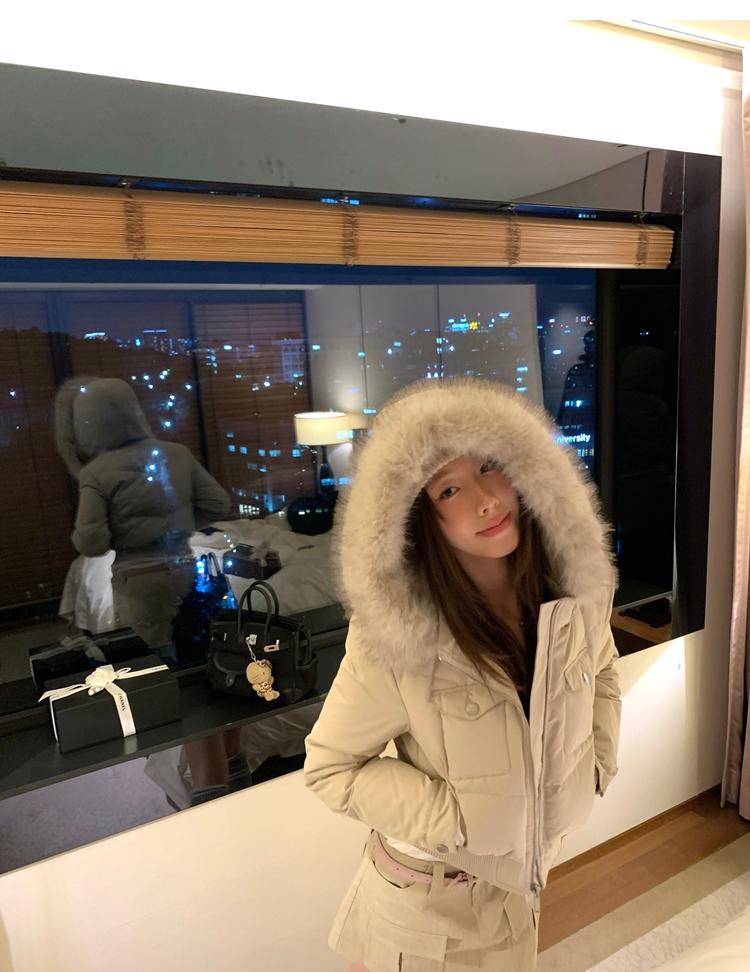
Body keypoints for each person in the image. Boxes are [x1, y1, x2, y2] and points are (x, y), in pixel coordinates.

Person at [304, 377, 621, 971]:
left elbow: (602, 670)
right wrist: (458, 819)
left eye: (490, 467)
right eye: (449, 489)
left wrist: (596, 763)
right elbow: (330, 768)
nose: (487, 500)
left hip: (517, 892)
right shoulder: (397, 637)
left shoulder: (572, 589)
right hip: (427, 906)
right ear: (414, 516)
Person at [56, 376, 248, 805]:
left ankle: (208, 791)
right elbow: (218, 505)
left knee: (168, 684)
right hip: (186, 570)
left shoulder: (96, 473)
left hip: (139, 584)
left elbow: (91, 543)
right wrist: (176, 525)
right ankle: (235, 775)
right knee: (210, 671)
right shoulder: (175, 453)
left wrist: (127, 530)